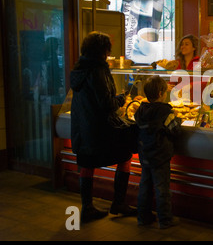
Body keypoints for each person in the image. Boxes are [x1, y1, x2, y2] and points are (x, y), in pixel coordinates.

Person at [70, 31, 137, 223]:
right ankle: (118, 202)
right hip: (100, 128)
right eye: (108, 49)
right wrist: (122, 99)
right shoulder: (98, 70)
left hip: (83, 128)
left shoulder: (79, 69)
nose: (109, 53)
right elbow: (106, 103)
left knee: (86, 164)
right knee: (126, 156)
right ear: (102, 50)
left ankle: (87, 207)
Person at [134, 75, 181, 229]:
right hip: (160, 156)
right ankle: (165, 219)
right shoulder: (165, 111)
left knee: (145, 186)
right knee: (162, 188)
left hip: (145, 154)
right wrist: (178, 119)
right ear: (161, 93)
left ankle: (143, 217)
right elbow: (175, 130)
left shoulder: (141, 110)